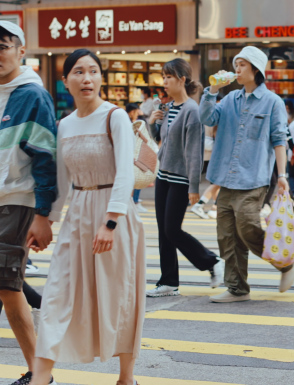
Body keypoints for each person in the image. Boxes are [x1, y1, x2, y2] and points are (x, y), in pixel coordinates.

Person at [30, 49, 145, 385]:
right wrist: (47, 221)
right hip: (77, 215)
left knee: (118, 295)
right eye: (78, 72)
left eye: (93, 71)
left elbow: (125, 172)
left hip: (114, 214)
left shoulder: (116, 117)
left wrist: (110, 222)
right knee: (56, 295)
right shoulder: (63, 125)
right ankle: (41, 378)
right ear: (66, 81)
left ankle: (126, 378)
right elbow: (64, 183)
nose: (87, 78)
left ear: (101, 79)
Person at [199, 46, 294, 303]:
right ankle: (237, 288)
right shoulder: (229, 99)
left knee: (248, 228)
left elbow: (279, 140)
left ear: (256, 69)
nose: (237, 69)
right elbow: (207, 118)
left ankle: (286, 263)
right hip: (225, 177)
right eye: (236, 64)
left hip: (253, 178)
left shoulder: (273, 102)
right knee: (227, 235)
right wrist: (211, 91)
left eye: (242, 64)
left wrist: (282, 175)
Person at [0, 21, 57, 385]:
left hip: (17, 201)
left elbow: (46, 157)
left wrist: (43, 214)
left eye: (3, 46)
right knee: (8, 286)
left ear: (22, 51)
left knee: (8, 286)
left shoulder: (32, 95)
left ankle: (40, 374)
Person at [145, 59, 223, 298]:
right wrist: (153, 123)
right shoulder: (167, 107)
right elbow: (162, 142)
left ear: (182, 79)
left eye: (169, 77)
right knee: (163, 230)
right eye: (163, 76)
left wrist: (193, 186)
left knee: (172, 229)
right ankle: (168, 281)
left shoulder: (192, 111)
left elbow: (193, 151)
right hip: (163, 176)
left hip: (179, 179)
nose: (164, 82)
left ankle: (212, 261)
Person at [125, 103, 149, 213]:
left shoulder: (134, 123)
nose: (137, 114)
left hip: (135, 155)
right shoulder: (128, 124)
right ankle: (134, 202)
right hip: (132, 156)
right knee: (137, 178)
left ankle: (133, 201)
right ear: (131, 112)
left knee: (137, 178)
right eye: (135, 111)